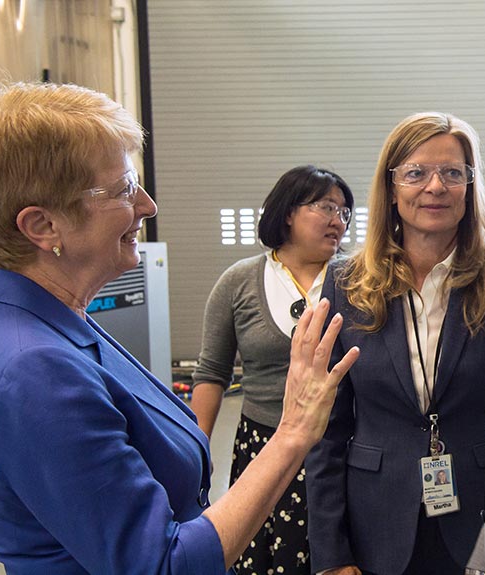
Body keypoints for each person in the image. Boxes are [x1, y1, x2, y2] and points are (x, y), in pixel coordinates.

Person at [0, 81, 358, 574]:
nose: (147, 206)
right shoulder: (35, 370)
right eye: (123, 190)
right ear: (43, 227)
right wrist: (294, 431)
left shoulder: (54, 321)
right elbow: (162, 565)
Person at [306, 112, 485, 575]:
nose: (436, 187)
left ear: (470, 187)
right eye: (416, 173)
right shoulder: (346, 283)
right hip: (376, 519)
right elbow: (325, 428)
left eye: (453, 173)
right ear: (391, 188)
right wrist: (331, 553)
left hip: (482, 513)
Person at [191, 164, 354, 574]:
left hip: (344, 444)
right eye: (326, 207)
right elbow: (212, 373)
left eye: (344, 212)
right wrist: (194, 452)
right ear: (287, 213)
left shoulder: (359, 279)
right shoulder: (239, 281)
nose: (338, 220)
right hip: (263, 446)